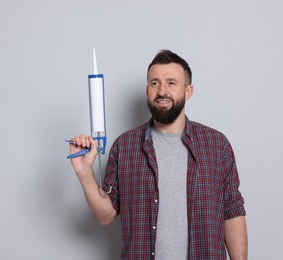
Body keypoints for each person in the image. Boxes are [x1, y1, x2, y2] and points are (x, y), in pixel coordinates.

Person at [69, 50, 247, 260]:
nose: (162, 91)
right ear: (147, 90)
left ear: (188, 91)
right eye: (155, 83)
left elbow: (232, 212)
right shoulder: (125, 147)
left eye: (171, 83)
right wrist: (84, 172)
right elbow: (105, 215)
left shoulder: (216, 145)